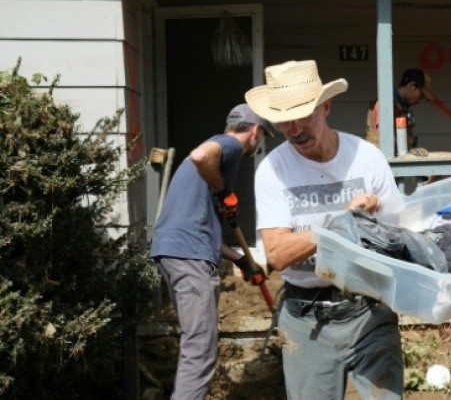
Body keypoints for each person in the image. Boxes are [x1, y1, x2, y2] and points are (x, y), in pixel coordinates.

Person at [246, 59, 404, 400]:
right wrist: (337, 223)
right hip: (307, 322)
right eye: (284, 120)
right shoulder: (273, 170)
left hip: (369, 312)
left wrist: (375, 215)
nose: (294, 128)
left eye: (303, 115)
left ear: (326, 107)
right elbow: (276, 254)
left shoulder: (367, 157)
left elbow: (398, 238)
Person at [150, 103, 271, 400]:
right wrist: (223, 191)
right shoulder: (228, 145)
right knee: (201, 347)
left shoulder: (207, 166)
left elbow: (202, 232)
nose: (261, 141)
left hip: (178, 252)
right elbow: (201, 156)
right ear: (255, 131)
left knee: (196, 342)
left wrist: (242, 260)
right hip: (188, 257)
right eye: (263, 134)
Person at [365, 67, 434, 155]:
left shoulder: (400, 106)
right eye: (420, 96)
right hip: (383, 162)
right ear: (411, 86)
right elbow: (385, 139)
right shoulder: (385, 104)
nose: (419, 101)